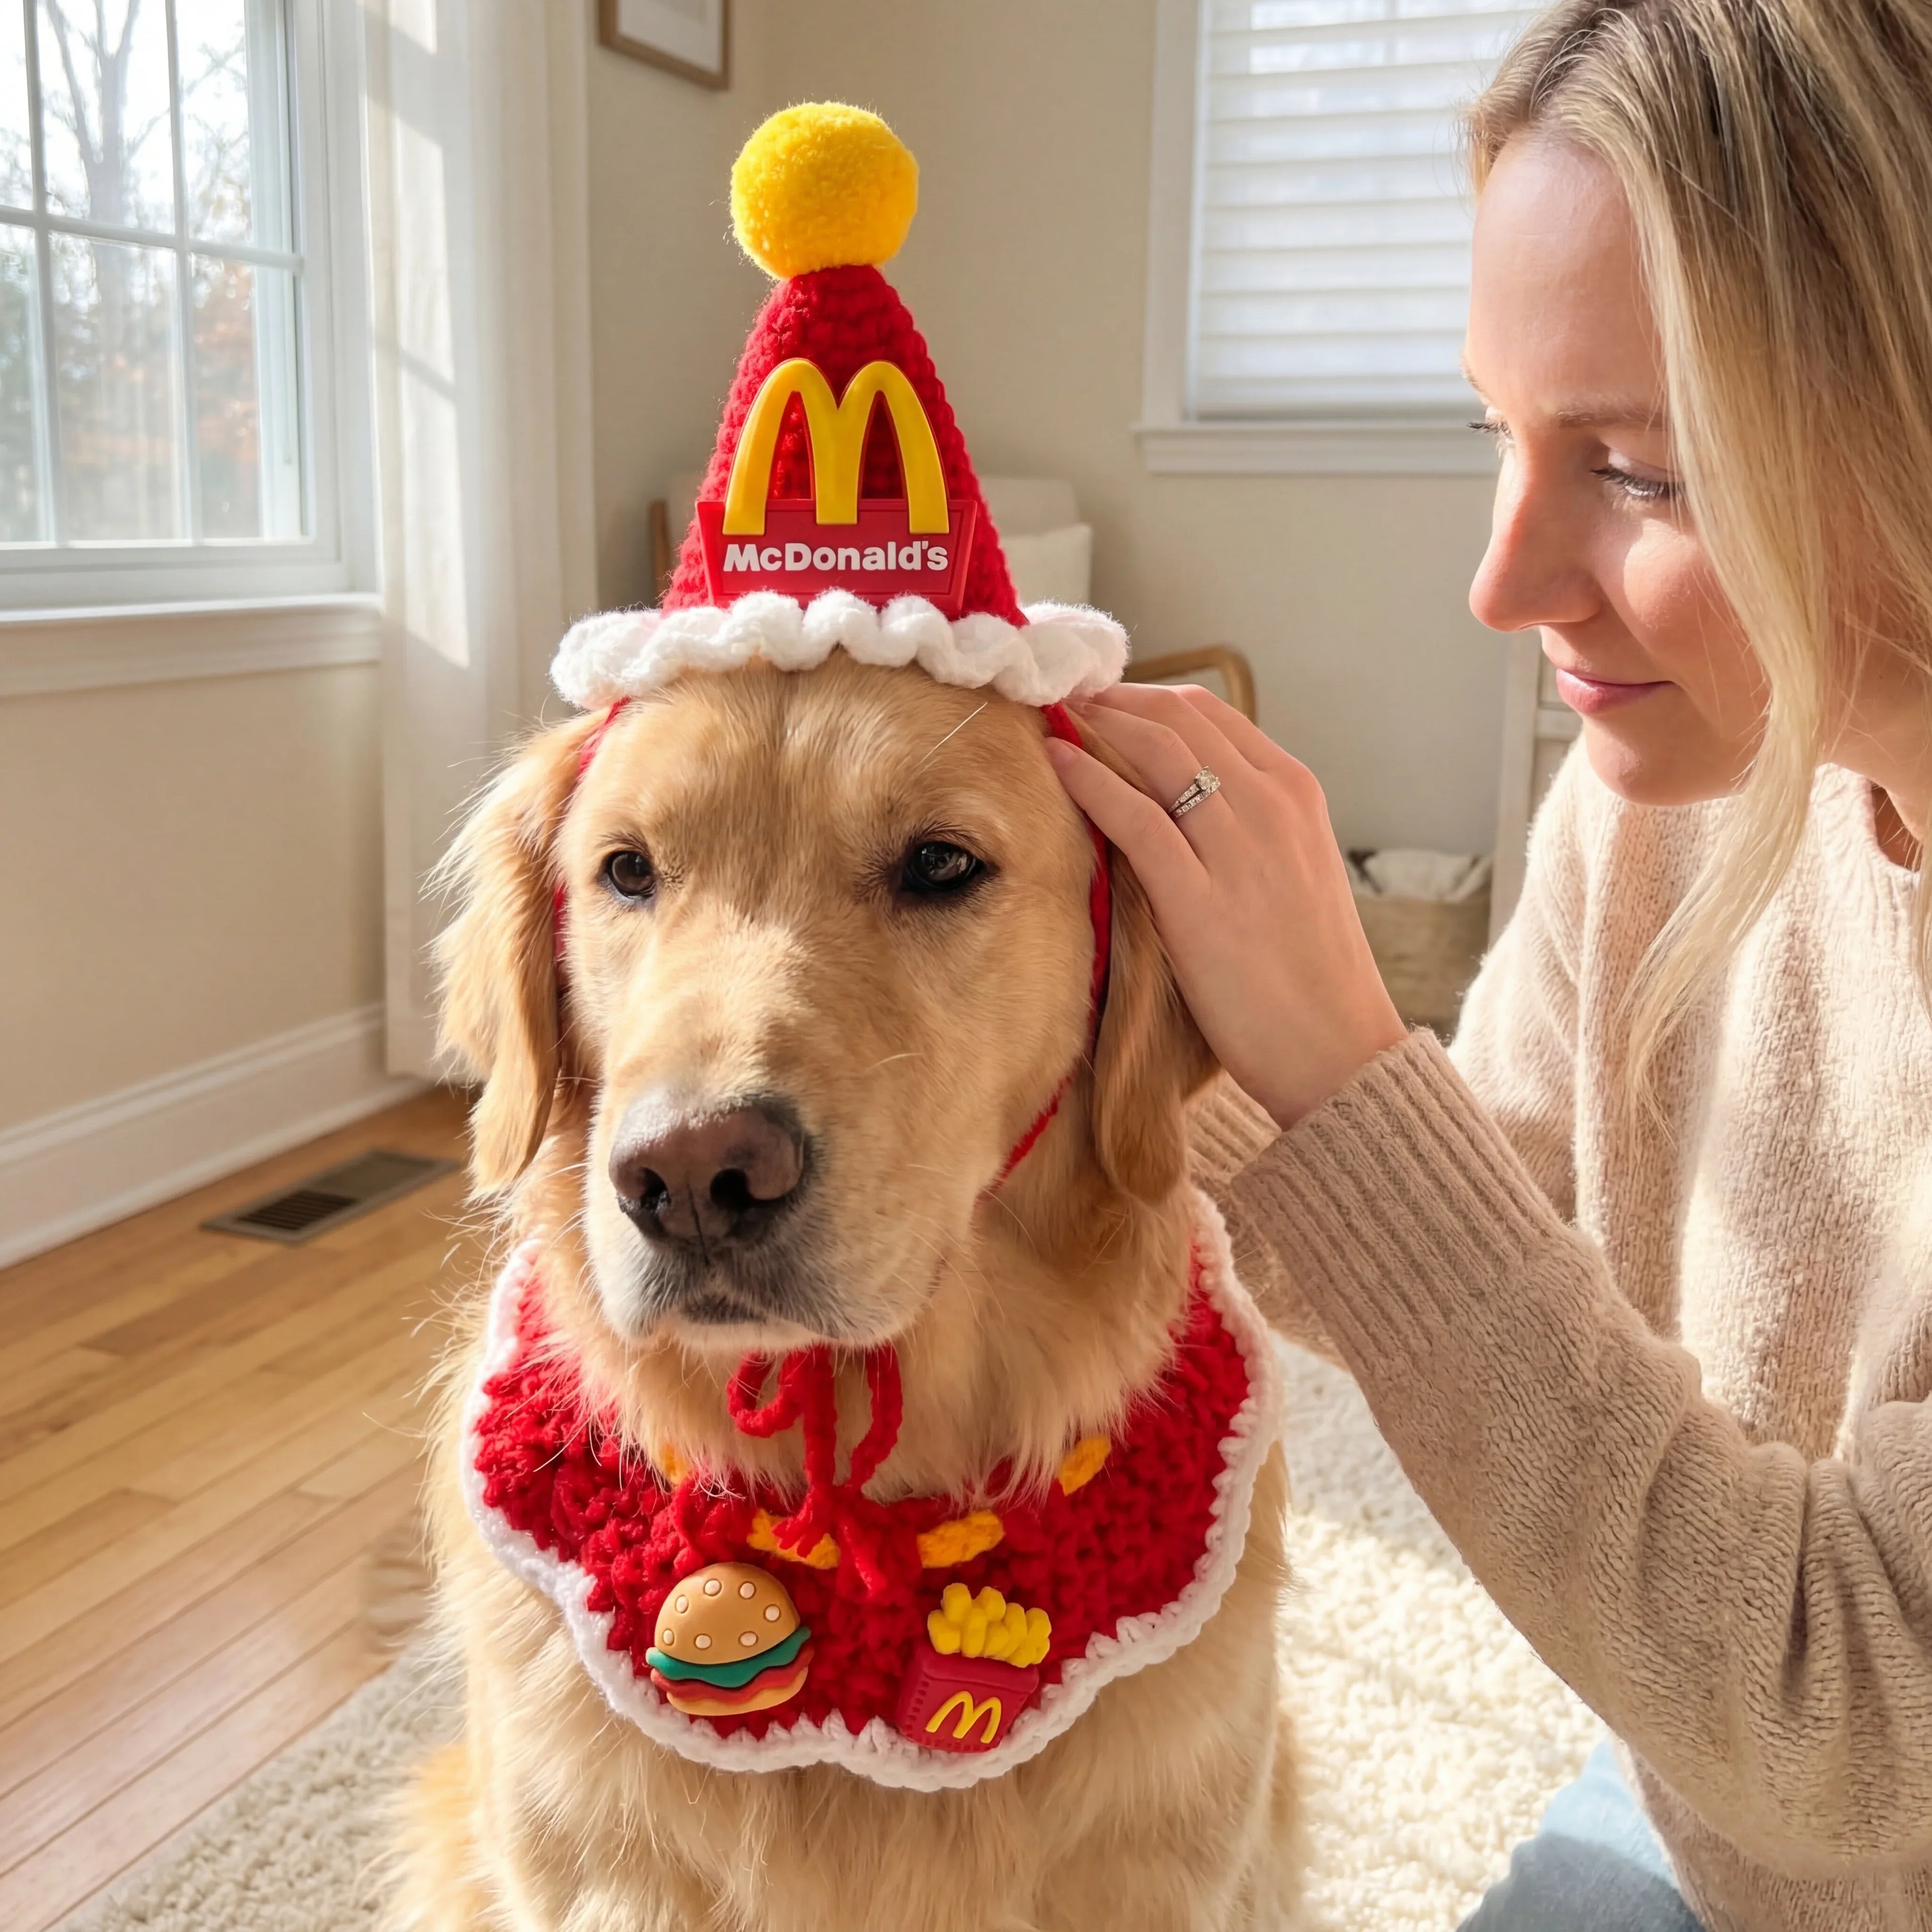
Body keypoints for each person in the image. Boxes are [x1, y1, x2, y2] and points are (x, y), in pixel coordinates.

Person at [1045, 3, 1932, 1927]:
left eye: (1637, 468)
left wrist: (1341, 1060)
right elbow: (1489, 1211)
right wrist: (1094, 1002)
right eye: (1499, 432)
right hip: (1703, 1814)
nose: (1503, 578)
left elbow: (1856, 1706)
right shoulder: (1653, 806)